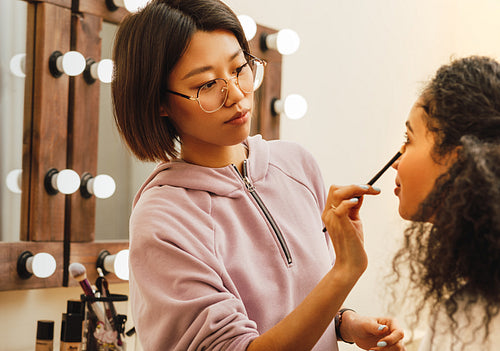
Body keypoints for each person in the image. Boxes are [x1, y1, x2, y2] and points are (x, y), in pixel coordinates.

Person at [111, 0, 405, 350]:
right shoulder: (163, 218)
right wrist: (345, 272)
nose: (236, 95)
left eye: (239, 68)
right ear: (158, 101)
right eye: (207, 84)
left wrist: (344, 323)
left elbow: (294, 299)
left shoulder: (296, 165)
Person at [324, 56, 500, 351]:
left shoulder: (478, 318)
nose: (396, 162)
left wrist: (346, 268)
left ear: (456, 161)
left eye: (408, 139)